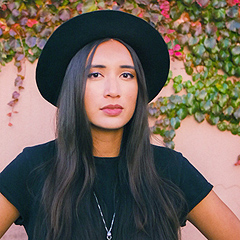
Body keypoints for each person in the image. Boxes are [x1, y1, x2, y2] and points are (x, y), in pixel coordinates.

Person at [0, 10, 240, 240]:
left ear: (138, 88)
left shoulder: (170, 170)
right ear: (73, 87)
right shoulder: (33, 167)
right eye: (95, 75)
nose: (113, 91)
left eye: (127, 75)